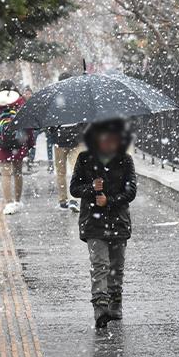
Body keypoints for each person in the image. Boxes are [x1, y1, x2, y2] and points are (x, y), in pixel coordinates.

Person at [70, 119, 137, 328]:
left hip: (118, 221)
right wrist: (91, 187)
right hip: (93, 222)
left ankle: (115, 301)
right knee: (100, 265)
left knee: (116, 266)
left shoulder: (125, 160)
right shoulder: (85, 159)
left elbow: (131, 191)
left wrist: (110, 200)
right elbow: (74, 188)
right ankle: (100, 307)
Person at [0, 80, 33, 215]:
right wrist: (28, 141)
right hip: (18, 141)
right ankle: (17, 201)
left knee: (5, 174)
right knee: (18, 172)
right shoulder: (20, 101)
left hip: (2, 143)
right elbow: (27, 123)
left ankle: (9, 203)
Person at [48, 72, 83, 211]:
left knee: (61, 172)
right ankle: (75, 199)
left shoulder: (54, 98)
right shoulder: (78, 97)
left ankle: (63, 200)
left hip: (59, 141)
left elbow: (49, 122)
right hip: (76, 139)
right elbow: (85, 118)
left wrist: (54, 132)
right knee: (77, 170)